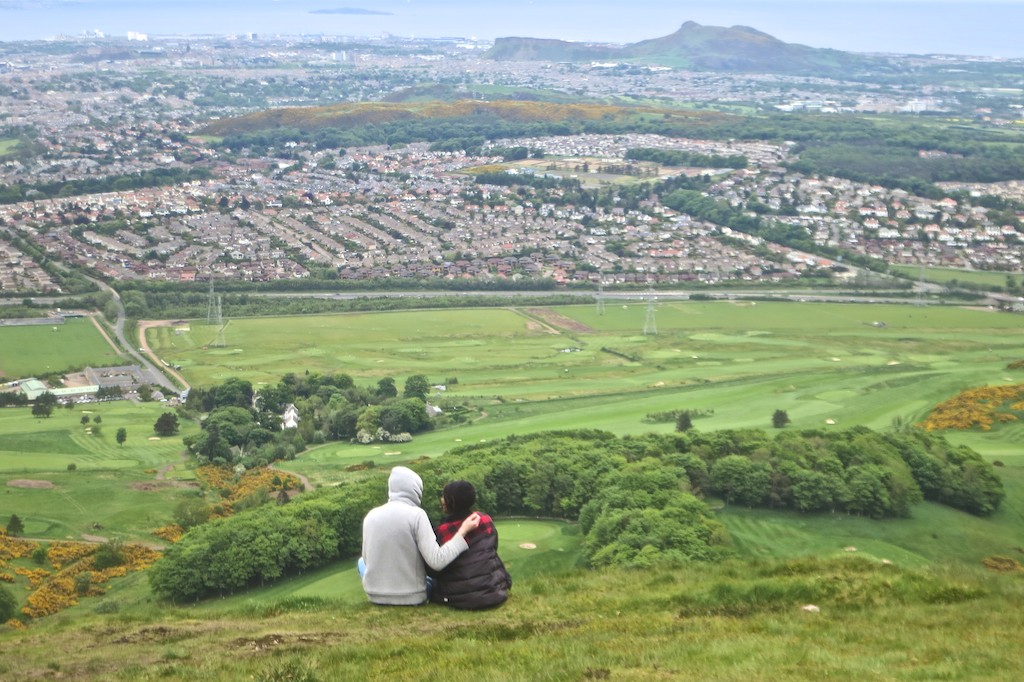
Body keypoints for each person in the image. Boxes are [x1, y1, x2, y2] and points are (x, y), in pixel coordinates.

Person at [360, 466, 480, 606]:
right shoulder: (417, 515)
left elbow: (367, 559)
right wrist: (462, 532)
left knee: (360, 562)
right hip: (412, 597)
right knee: (432, 578)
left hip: (374, 596)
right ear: (415, 490)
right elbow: (437, 561)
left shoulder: (371, 516)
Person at [430, 480, 511, 610]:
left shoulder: (442, 532)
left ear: (450, 502)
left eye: (444, 496)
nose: (441, 499)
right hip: (495, 590)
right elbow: (493, 548)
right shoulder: (484, 519)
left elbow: (436, 568)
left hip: (457, 597)